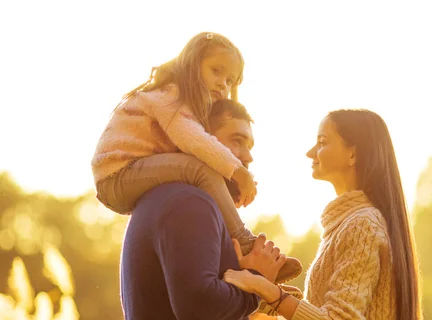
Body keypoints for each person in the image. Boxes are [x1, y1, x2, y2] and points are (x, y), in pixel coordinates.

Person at [224, 109, 424, 320]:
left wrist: (266, 289)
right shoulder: (350, 224)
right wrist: (249, 306)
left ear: (353, 153)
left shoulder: (362, 226)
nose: (310, 152)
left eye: (322, 141)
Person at [121, 99, 288, 320]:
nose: (248, 157)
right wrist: (254, 281)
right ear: (196, 139)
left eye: (250, 145)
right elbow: (198, 305)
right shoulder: (189, 202)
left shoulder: (173, 198)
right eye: (236, 140)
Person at [91, 31, 301, 283]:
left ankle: (246, 276)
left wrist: (232, 182)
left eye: (230, 79)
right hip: (118, 173)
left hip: (131, 173)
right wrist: (238, 171)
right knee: (199, 168)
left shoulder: (182, 104)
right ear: (192, 64)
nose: (223, 83)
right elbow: (195, 141)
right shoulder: (171, 96)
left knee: (200, 171)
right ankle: (244, 242)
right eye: (216, 71)